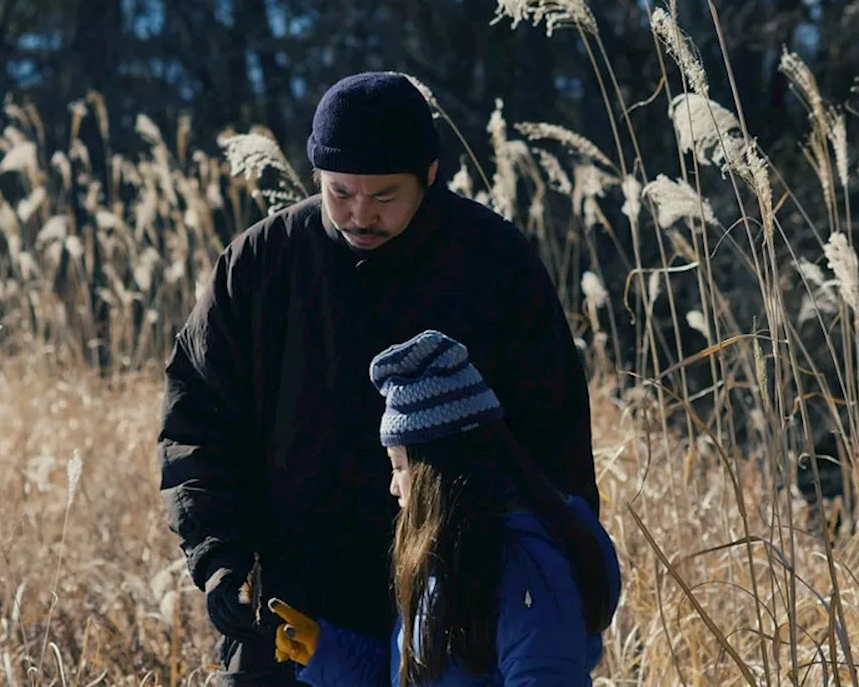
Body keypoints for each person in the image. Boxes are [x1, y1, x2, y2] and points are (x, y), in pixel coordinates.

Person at [157, 71, 600, 685]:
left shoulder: (496, 265)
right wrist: (224, 563)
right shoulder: (260, 264)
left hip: (451, 607)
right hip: (289, 613)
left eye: (385, 195)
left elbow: (554, 444)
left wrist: (543, 568)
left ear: (431, 174)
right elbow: (195, 426)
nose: (360, 213)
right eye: (340, 192)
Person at [267, 329, 621, 686]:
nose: (393, 485)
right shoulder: (453, 558)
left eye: (399, 466)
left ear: (435, 471)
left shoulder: (527, 567)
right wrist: (326, 653)